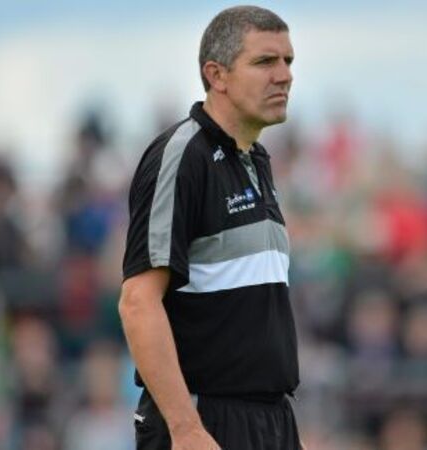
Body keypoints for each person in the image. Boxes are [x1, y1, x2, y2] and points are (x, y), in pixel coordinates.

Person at [118, 6, 300, 450]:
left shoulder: (256, 160)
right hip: (205, 420)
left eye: (288, 61)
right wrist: (186, 428)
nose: (284, 76)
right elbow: (138, 302)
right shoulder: (183, 156)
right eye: (265, 61)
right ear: (216, 75)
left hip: (269, 421)